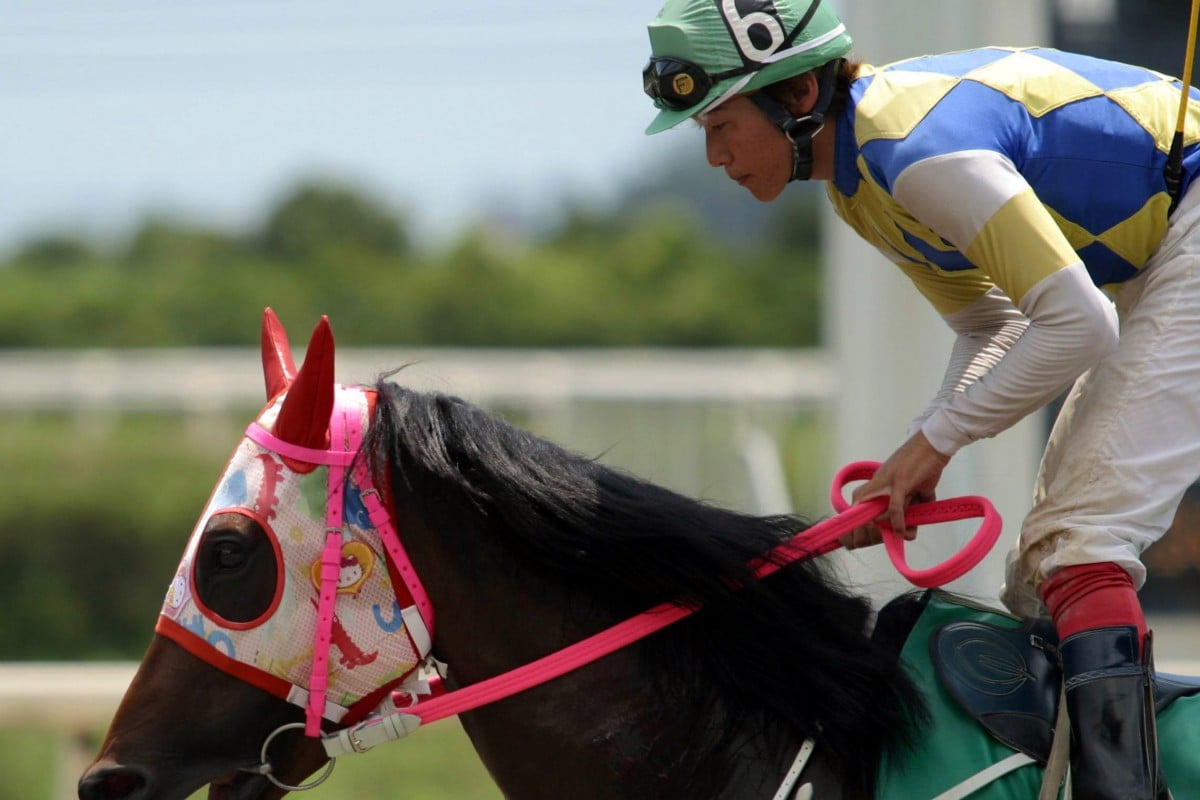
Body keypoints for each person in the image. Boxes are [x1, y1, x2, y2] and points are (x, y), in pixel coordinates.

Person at [641, 1, 1200, 798]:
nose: (714, 154)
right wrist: (921, 450)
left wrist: (932, 443)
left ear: (797, 95)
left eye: (720, 123)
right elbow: (992, 322)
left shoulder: (915, 152)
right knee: (1042, 579)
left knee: (1081, 547)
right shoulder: (859, 183)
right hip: (1167, 240)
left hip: (1186, 226)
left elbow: (1078, 325)